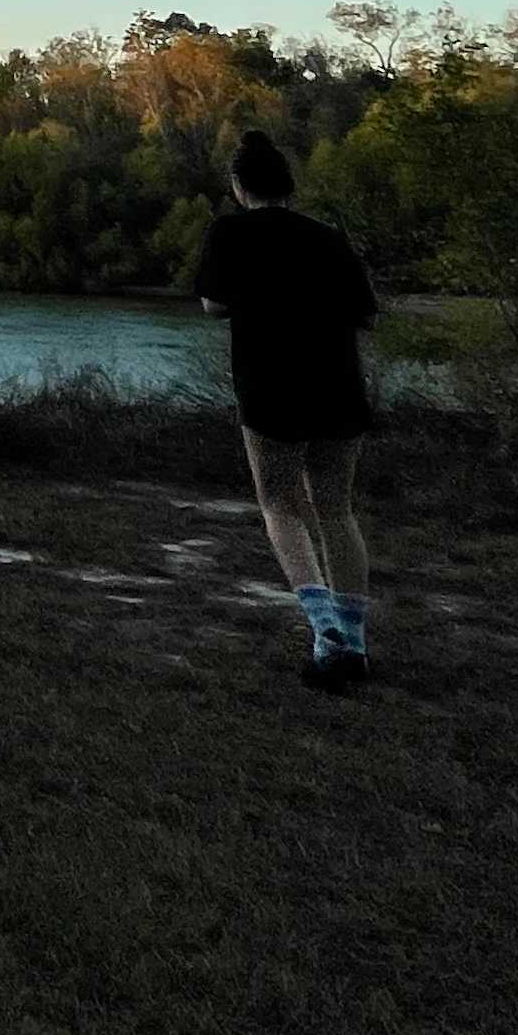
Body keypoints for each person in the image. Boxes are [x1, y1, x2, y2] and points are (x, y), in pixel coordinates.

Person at [189, 129, 381, 690]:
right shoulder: (328, 237)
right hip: (338, 385)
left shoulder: (229, 232)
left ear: (238, 185)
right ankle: (355, 643)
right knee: (336, 509)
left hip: (270, 386)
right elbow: (368, 316)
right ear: (289, 185)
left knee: (279, 504)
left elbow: (213, 305)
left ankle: (326, 632)